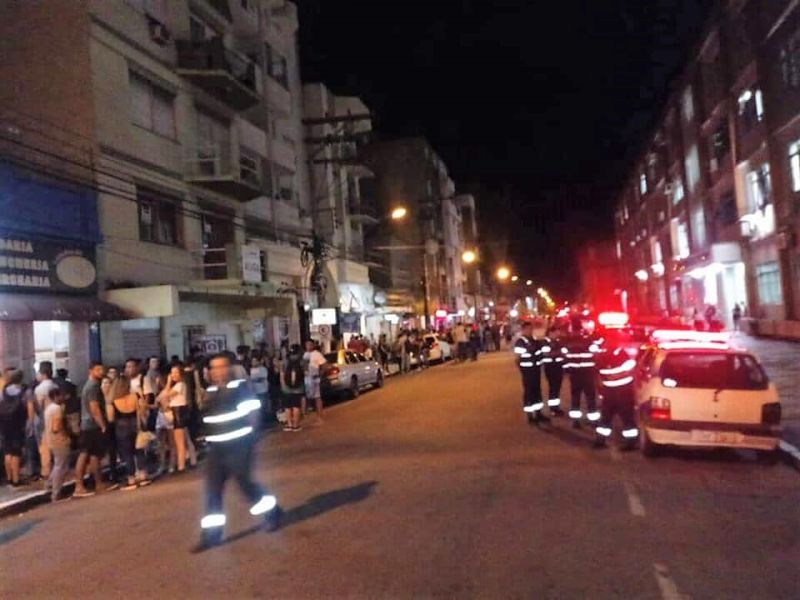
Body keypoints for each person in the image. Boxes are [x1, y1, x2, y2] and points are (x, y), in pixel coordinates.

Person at [195, 353, 280, 550]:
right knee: (212, 491)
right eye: (214, 367)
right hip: (217, 450)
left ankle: (271, 512)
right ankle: (211, 535)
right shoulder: (211, 392)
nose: (218, 371)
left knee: (246, 485)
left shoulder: (240, 389)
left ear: (230, 368)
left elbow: (253, 417)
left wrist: (249, 443)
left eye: (222, 366)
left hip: (239, 446)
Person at [73, 362, 116, 498]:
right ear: (90, 371)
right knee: (85, 454)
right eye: (97, 370)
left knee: (94, 454)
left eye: (101, 369)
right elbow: (94, 407)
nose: (100, 372)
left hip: (89, 425)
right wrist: (102, 424)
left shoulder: (91, 385)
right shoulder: (92, 386)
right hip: (91, 425)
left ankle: (98, 483)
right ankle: (79, 486)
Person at [594, 346, 639, 448]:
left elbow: (600, 372)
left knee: (624, 418)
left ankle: (630, 442)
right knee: (609, 417)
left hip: (620, 392)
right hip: (617, 392)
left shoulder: (612, 355)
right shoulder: (609, 355)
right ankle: (601, 440)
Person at [562, 330, 602, 429]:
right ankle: (593, 421)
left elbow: (565, 358)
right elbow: (597, 354)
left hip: (574, 374)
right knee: (590, 398)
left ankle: (575, 421)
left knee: (575, 398)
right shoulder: (589, 341)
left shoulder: (569, 343)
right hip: (587, 374)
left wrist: (567, 371)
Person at [514, 322, 548, 424]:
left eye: (531, 329)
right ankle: (530, 416)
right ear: (523, 330)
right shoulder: (520, 342)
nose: (530, 331)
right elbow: (517, 358)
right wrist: (523, 370)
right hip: (527, 371)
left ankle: (538, 413)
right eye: (528, 329)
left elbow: (540, 354)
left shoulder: (535, 341)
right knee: (529, 392)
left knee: (537, 391)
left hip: (536, 370)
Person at [0, 369, 29, 486]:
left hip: (4, 423)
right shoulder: (22, 391)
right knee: (16, 452)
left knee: (7, 451)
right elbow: (27, 406)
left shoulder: (3, 391)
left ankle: (9, 477)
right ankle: (16, 479)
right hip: (17, 424)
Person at [44, 386, 72, 501]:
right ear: (56, 396)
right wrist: (67, 435)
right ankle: (56, 493)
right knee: (61, 467)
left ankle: (50, 485)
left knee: (58, 465)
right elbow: (57, 427)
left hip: (51, 440)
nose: (63, 397)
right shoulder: (57, 409)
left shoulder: (48, 408)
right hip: (60, 440)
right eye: (61, 395)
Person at [33, 361, 59, 481]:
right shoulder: (55, 386)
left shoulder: (39, 389)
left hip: (44, 419)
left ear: (43, 374)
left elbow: (38, 407)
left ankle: (46, 473)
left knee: (44, 449)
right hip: (56, 418)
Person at [281, 344, 306, 432]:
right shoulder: (302, 360)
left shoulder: (285, 361)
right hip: (298, 387)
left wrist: (283, 385)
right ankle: (296, 425)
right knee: (296, 405)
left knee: (287, 406)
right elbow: (305, 373)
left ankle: (289, 424)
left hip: (286, 387)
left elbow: (282, 374)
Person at [303, 340, 327, 422]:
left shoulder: (317, 354)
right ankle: (306, 416)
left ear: (313, 345)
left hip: (314, 378)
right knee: (306, 398)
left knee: (317, 397)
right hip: (306, 379)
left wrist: (319, 374)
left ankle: (320, 416)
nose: (308, 346)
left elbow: (324, 365)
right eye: (307, 344)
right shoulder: (305, 354)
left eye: (310, 344)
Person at [53, 368, 79, 440]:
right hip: (72, 409)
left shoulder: (54, 384)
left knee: (64, 428)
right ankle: (75, 444)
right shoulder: (70, 385)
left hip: (60, 409)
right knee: (74, 428)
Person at [250, 356, 270, 423]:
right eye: (252, 361)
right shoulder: (251, 370)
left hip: (262, 390)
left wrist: (253, 380)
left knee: (263, 407)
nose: (253, 362)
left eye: (255, 361)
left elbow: (262, 378)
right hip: (255, 392)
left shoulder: (263, 369)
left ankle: (265, 421)